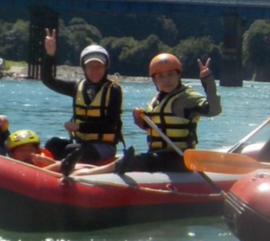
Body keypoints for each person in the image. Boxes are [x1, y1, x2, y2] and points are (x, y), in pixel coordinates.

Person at [81, 53, 221, 175]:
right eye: (160, 76)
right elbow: (156, 130)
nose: (166, 80)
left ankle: (89, 173)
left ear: (179, 75)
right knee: (134, 158)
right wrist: (139, 120)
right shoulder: (157, 99)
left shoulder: (188, 98)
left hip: (179, 159)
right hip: (158, 156)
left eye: (171, 74)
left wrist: (207, 80)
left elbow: (214, 110)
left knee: (137, 159)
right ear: (154, 80)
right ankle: (82, 169)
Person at [39, 30, 124, 163]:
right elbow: (47, 80)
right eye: (90, 66)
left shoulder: (113, 90)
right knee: (52, 144)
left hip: (104, 146)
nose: (95, 70)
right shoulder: (76, 87)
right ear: (84, 67)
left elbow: (110, 124)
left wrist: (79, 127)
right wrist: (50, 54)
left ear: (106, 67)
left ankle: (63, 173)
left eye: (99, 66)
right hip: (81, 142)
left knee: (71, 150)